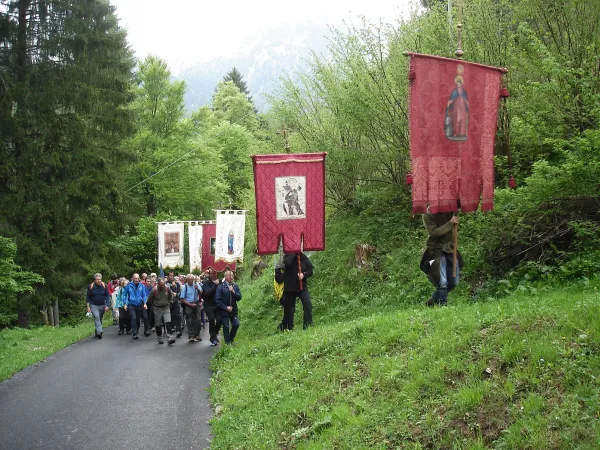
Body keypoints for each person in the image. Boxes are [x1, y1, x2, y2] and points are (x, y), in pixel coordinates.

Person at [420, 211, 463, 306]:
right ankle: (443, 306)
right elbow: (434, 233)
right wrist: (450, 223)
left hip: (450, 249)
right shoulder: (427, 214)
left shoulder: (449, 210)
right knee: (442, 282)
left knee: (454, 281)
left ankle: (432, 300)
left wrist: (457, 209)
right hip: (436, 251)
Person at [275, 253, 313, 331]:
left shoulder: (302, 257)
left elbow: (310, 270)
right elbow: (287, 263)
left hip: (302, 287)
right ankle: (287, 327)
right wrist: (294, 253)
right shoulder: (286, 257)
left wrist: (304, 275)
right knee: (289, 310)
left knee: (307, 304)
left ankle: (308, 325)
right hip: (289, 289)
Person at [215, 270, 241, 345]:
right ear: (225, 277)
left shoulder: (235, 286)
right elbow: (217, 300)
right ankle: (227, 343)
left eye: (232, 275)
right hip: (224, 311)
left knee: (236, 324)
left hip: (233, 310)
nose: (231, 277)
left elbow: (239, 297)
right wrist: (225, 307)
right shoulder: (221, 287)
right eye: (230, 275)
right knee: (226, 327)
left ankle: (231, 338)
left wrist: (233, 292)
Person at [147, 277, 176, 345]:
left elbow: (170, 296)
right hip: (157, 309)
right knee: (158, 324)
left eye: (164, 285)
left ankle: (170, 337)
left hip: (166, 307)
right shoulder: (154, 290)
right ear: (158, 284)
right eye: (161, 285)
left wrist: (168, 302)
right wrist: (154, 306)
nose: (163, 286)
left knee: (168, 321)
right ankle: (160, 337)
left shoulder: (167, 288)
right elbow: (149, 300)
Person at [124, 273, 149, 340]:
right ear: (132, 278)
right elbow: (124, 295)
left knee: (145, 317)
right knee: (134, 318)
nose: (137, 280)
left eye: (138, 278)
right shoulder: (128, 286)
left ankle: (146, 330)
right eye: (135, 278)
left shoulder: (142, 285)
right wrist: (125, 304)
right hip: (131, 304)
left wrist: (145, 303)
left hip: (140, 304)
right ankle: (135, 333)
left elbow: (144, 295)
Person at [86, 273, 111, 339]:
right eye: (97, 279)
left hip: (102, 305)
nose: (99, 281)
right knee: (97, 317)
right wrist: (88, 307)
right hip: (94, 305)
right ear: (95, 280)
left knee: (99, 318)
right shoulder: (91, 286)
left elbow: (107, 295)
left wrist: (107, 305)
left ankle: (97, 331)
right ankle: (100, 331)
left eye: (100, 279)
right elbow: (88, 297)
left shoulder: (104, 285)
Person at [202, 268, 221, 346]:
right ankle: (212, 336)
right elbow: (207, 293)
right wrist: (214, 285)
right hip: (208, 305)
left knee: (220, 320)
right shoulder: (206, 283)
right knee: (212, 319)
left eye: (216, 274)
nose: (215, 275)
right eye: (213, 274)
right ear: (210, 274)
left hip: (217, 304)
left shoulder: (219, 282)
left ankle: (215, 332)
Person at [180, 274, 203, 342]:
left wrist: (197, 289)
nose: (191, 281)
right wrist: (190, 304)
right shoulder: (185, 287)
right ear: (187, 280)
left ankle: (197, 334)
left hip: (196, 302)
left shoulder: (196, 284)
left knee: (198, 319)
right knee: (189, 320)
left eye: (192, 279)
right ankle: (191, 335)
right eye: (189, 280)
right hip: (188, 304)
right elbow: (182, 298)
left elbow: (201, 293)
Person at [166, 271, 183, 338]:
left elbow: (179, 293)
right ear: (168, 276)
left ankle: (179, 330)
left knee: (177, 315)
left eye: (172, 275)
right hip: (168, 303)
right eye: (170, 275)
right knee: (169, 317)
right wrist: (172, 288)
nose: (171, 277)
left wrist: (176, 294)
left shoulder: (177, 284)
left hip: (175, 302)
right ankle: (170, 330)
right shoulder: (166, 284)